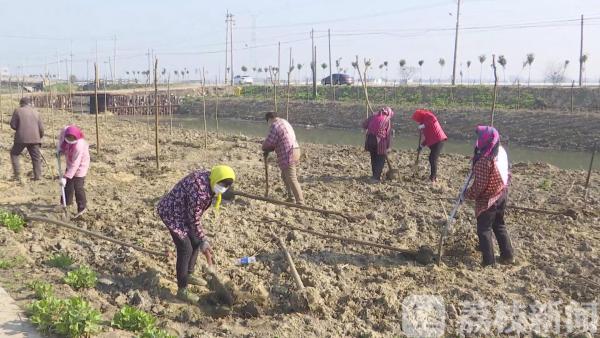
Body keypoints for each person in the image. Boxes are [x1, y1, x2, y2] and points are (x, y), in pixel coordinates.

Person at [157, 165, 235, 303]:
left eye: (226, 186)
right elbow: (193, 219)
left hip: (183, 211)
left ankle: (189, 273)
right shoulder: (200, 192)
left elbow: (193, 218)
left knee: (195, 242)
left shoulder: (210, 177)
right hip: (172, 213)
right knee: (185, 248)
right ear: (216, 179)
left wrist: (200, 240)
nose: (223, 188)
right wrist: (203, 239)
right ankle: (182, 290)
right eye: (222, 184)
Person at [464, 126, 514, 267]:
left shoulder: (484, 162)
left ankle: (489, 261)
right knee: (499, 225)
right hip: (502, 194)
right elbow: (508, 173)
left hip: (489, 199)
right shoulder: (501, 151)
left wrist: (467, 194)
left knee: (484, 229)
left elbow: (479, 186)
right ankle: (508, 255)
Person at [262, 112, 304, 204]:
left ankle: (300, 201)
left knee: (291, 177)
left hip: (288, 153)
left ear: (269, 119)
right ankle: (291, 197)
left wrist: (264, 147)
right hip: (296, 149)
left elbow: (269, 142)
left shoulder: (275, 125)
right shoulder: (284, 122)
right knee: (285, 176)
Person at [57, 125, 90, 218]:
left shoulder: (79, 146)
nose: (70, 140)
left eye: (72, 139)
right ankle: (65, 203)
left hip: (81, 165)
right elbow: (61, 140)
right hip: (70, 161)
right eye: (68, 138)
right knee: (68, 185)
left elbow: (75, 164)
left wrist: (65, 177)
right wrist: (60, 149)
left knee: (78, 186)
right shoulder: (65, 131)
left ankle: (82, 208)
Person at [10, 97, 44, 181]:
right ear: (29, 103)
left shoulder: (17, 110)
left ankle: (17, 175)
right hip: (35, 138)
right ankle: (38, 176)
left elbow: (13, 125)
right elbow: (41, 128)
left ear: (21, 103)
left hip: (21, 138)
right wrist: (39, 137)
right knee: (36, 158)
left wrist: (20, 127)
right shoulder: (36, 112)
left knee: (14, 154)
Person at [411, 109, 447, 182]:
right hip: (433, 142)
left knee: (432, 158)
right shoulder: (422, 122)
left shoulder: (428, 115)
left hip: (438, 140)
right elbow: (427, 137)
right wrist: (421, 146)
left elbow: (434, 119)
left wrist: (423, 125)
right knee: (431, 158)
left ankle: (433, 177)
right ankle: (433, 176)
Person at [362, 106, 395, 182]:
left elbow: (364, 125)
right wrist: (388, 147)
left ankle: (374, 175)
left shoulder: (373, 116)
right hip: (379, 141)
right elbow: (388, 134)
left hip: (370, 139)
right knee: (380, 158)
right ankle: (376, 177)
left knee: (373, 157)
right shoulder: (387, 120)